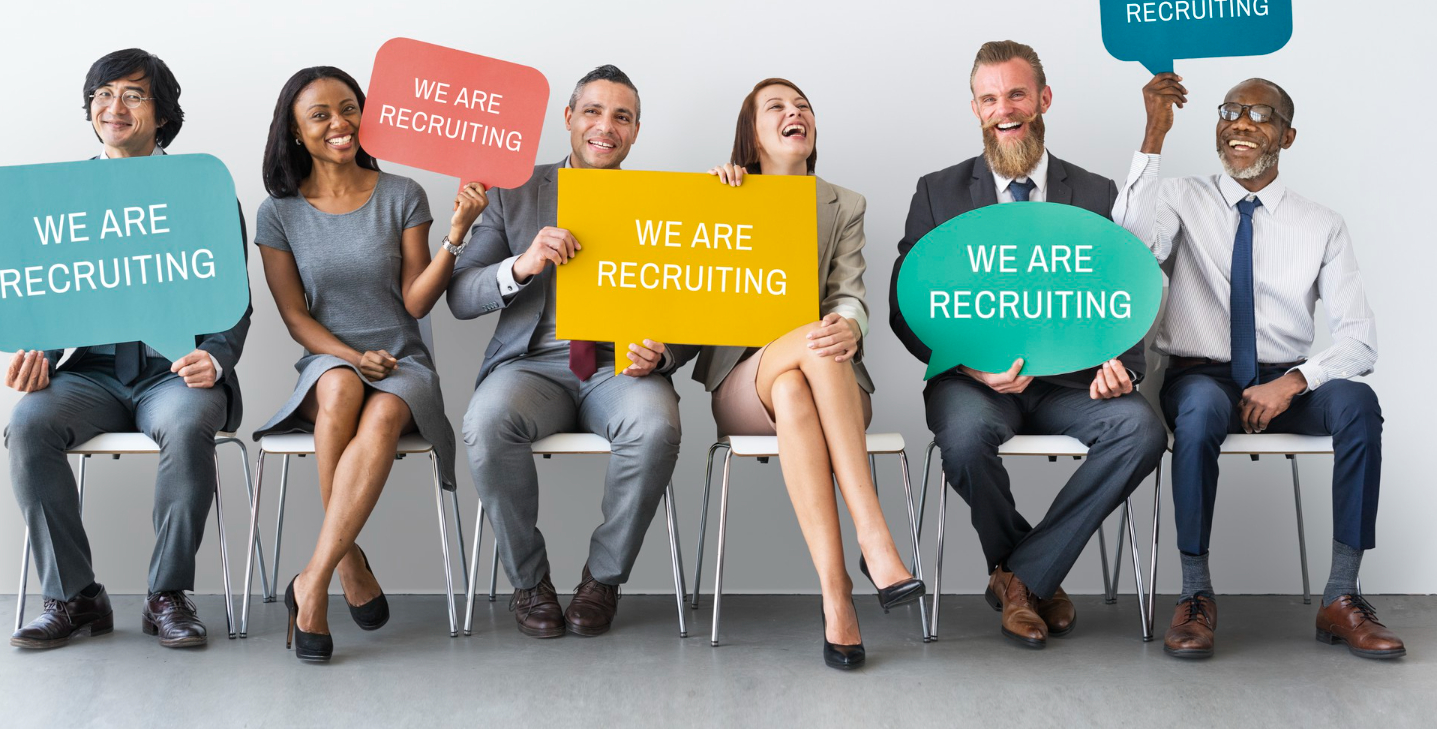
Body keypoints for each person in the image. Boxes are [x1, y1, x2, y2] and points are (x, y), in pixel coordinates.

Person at [889, 40, 1167, 649]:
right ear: (975, 108)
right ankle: (1032, 577)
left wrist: (1119, 364)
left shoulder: (1096, 194)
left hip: (1073, 385)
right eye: (989, 98)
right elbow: (905, 309)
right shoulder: (937, 192)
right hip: (975, 384)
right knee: (962, 440)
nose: (1004, 109)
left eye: (1016, 93)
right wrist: (972, 366)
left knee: (1141, 429)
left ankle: (1021, 579)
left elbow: (1125, 291)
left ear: (1042, 99)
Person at [1115, 73, 1403, 660]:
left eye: (1260, 114)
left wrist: (1294, 382)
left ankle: (1341, 596)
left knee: (1358, 404)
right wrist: (1153, 134)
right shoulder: (1178, 196)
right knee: (1196, 412)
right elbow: (1129, 242)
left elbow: (1360, 341)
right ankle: (1195, 596)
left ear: (1287, 137)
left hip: (1286, 380)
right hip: (1202, 375)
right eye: (1231, 110)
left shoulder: (1321, 223)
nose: (1240, 122)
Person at [5, 48, 252, 649]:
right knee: (28, 424)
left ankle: (167, 596)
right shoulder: (64, 198)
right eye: (102, 94)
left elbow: (236, 299)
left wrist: (216, 358)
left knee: (189, 423)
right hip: (88, 374)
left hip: (175, 373)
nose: (113, 107)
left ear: (162, 115)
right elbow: (48, 291)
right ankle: (74, 597)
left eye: (133, 95)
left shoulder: (203, 193)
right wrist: (35, 352)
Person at [448, 64, 691, 639]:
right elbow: (460, 293)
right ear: (569, 119)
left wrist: (667, 352)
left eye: (622, 117)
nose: (605, 126)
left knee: (656, 426)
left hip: (621, 368)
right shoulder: (515, 189)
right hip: (533, 365)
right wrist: (522, 264)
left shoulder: (664, 199)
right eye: (593, 111)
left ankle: (602, 579)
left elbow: (695, 306)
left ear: (635, 132)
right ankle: (529, 584)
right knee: (485, 422)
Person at [255, 66, 486, 662]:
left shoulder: (402, 194)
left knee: (380, 418)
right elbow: (295, 318)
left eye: (349, 107)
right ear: (296, 132)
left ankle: (312, 582)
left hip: (402, 359)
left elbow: (415, 301)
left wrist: (456, 234)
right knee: (339, 392)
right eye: (321, 114)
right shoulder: (278, 211)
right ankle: (349, 561)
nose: (340, 123)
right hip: (327, 358)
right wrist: (354, 356)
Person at [694, 78, 923, 670]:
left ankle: (837, 595)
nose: (794, 113)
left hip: (829, 382)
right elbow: (685, 292)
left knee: (806, 370)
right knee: (805, 356)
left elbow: (849, 297)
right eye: (777, 107)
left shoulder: (843, 204)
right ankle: (875, 537)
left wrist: (851, 324)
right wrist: (714, 201)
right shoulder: (720, 193)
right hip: (745, 380)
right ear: (753, 133)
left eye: (803, 107)